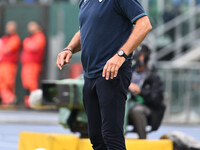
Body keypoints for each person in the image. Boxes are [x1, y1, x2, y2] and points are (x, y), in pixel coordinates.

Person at [57, 0, 152, 149]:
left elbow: (144, 24)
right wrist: (69, 48)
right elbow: (86, 30)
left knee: (111, 136)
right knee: (96, 137)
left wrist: (121, 55)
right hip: (89, 75)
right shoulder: (85, 1)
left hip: (112, 73)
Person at [128, 44, 166, 139]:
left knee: (137, 111)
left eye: (141, 55)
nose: (138, 57)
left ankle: (143, 139)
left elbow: (156, 98)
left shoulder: (153, 75)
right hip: (127, 104)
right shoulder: (129, 71)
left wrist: (139, 90)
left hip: (148, 108)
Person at [21, 21, 46, 107]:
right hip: (27, 64)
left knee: (32, 83)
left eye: (32, 26)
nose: (30, 28)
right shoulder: (31, 37)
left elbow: (34, 47)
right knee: (27, 83)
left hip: (33, 64)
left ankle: (34, 102)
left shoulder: (39, 36)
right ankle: (28, 102)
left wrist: (26, 42)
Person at [0, 21, 21, 105]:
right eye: (8, 26)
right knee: (1, 82)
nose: (9, 28)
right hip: (2, 63)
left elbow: (6, 50)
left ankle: (11, 99)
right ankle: (7, 99)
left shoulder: (15, 38)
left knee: (8, 82)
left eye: (11, 27)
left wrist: (2, 47)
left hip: (9, 64)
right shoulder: (5, 38)